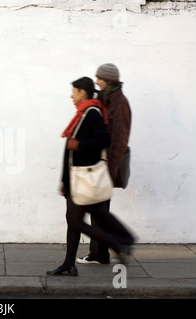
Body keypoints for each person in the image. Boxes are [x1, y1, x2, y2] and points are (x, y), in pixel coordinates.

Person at [47, 77, 134, 276]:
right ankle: (69, 264)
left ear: (83, 93)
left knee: (76, 222)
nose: (71, 95)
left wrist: (79, 145)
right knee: (77, 221)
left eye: (74, 91)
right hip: (75, 180)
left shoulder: (92, 113)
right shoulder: (82, 113)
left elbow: (104, 139)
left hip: (84, 180)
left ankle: (119, 246)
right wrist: (64, 180)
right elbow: (69, 152)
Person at [77, 63, 132, 265]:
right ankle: (101, 254)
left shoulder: (120, 104)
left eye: (99, 78)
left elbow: (119, 141)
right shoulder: (107, 98)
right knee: (99, 209)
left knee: (99, 210)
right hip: (99, 162)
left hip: (107, 165)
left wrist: (109, 171)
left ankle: (121, 243)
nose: (96, 81)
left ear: (108, 80)